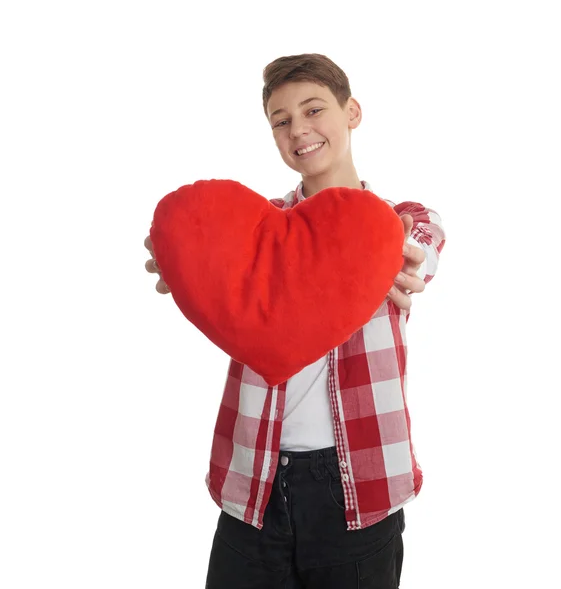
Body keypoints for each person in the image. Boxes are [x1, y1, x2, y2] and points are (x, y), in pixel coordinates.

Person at [144, 53, 446, 589]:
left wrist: (402, 256)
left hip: (361, 483)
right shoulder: (252, 230)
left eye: (313, 110)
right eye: (280, 121)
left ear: (351, 112)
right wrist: (187, 259)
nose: (298, 130)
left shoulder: (403, 220)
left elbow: (422, 252)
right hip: (255, 478)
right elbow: (207, 254)